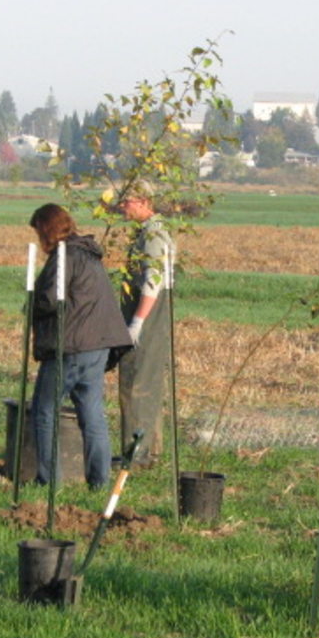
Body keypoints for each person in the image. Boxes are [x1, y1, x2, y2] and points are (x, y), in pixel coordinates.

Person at [29, 203, 132, 490]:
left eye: (38, 232)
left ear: (46, 229)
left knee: (44, 410)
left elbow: (50, 299)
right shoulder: (88, 254)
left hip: (71, 346)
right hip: (98, 347)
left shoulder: (64, 256)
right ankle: (99, 483)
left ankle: (48, 481)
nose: (38, 241)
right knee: (92, 415)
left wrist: (31, 304)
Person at [116, 181, 173, 468]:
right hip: (148, 316)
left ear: (142, 201)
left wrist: (137, 321)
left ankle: (137, 455)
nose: (122, 207)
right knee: (145, 382)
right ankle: (147, 452)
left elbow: (154, 280)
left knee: (137, 382)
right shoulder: (147, 231)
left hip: (149, 317)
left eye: (126, 202)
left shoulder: (153, 234)